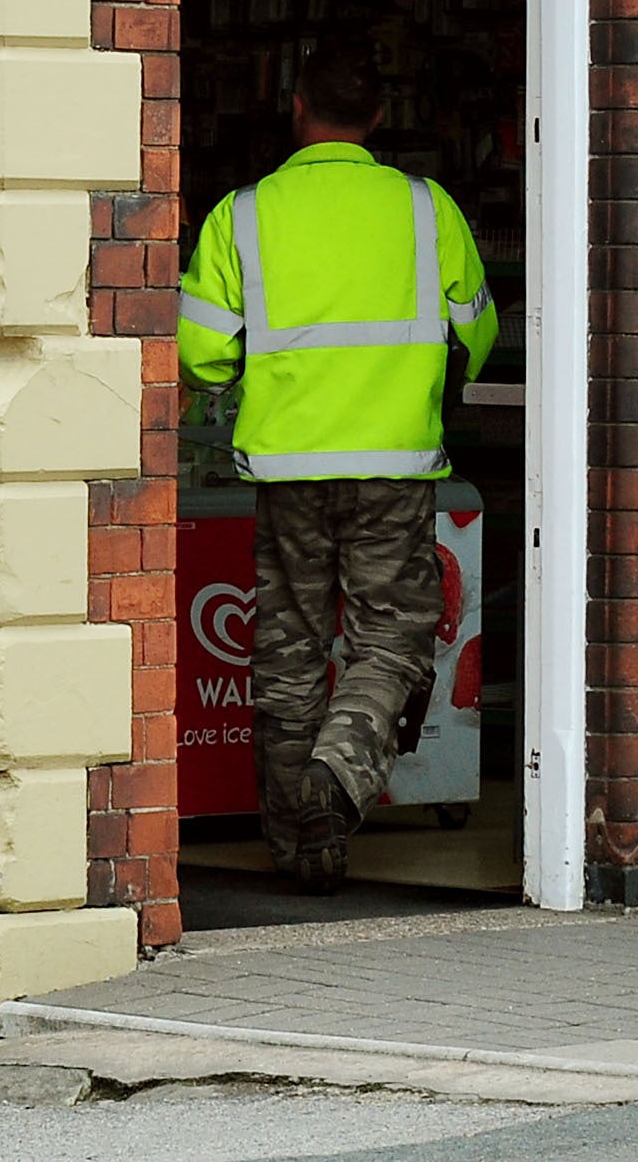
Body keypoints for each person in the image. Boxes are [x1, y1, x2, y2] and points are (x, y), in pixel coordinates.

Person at [176, 46, 497, 893]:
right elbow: (480, 331)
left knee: (285, 649)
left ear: (294, 107)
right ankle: (340, 772)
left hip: (286, 469)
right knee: (392, 633)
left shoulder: (243, 215)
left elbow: (201, 355)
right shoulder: (428, 209)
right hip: (393, 465)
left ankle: (302, 847)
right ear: (379, 118)